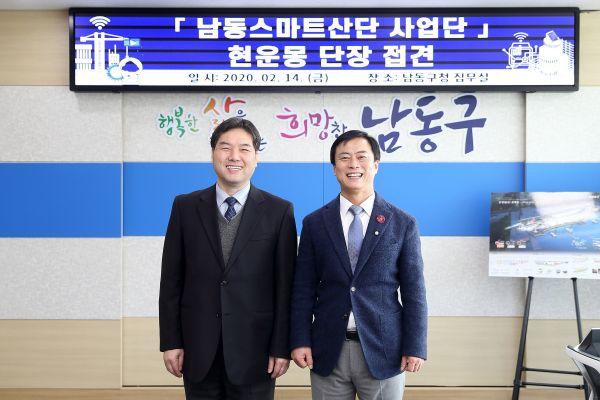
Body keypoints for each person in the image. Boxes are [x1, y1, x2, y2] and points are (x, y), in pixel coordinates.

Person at [159, 117, 297, 400]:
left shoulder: (279, 211)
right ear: (213, 154)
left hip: (256, 352)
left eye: (244, 149)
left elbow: (285, 288)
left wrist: (281, 346)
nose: (234, 156)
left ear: (256, 157)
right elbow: (171, 280)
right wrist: (171, 341)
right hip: (198, 348)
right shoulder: (185, 207)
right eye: (225, 147)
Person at [290, 130, 427, 399]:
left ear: (376, 165)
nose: (353, 164)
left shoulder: (402, 223)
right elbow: (303, 289)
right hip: (327, 349)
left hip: (385, 350)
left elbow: (415, 292)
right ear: (334, 169)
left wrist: (415, 346)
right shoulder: (315, 223)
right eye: (344, 158)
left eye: (361, 157)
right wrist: (300, 339)